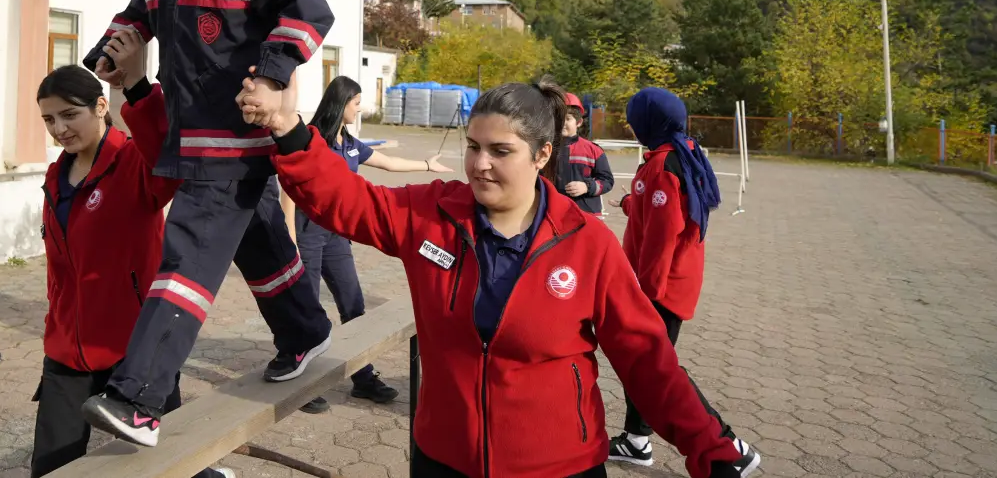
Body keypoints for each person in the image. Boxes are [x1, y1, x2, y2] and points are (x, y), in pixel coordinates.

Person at [237, 75, 761, 478]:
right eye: (472, 146)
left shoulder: (587, 244)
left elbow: (649, 361)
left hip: (560, 466)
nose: (479, 164)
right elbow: (346, 201)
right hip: (442, 458)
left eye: (500, 151)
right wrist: (288, 129)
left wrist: (708, 445)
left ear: (543, 155)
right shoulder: (432, 215)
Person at [78, 0, 334, 445]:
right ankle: (305, 331)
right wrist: (118, 42)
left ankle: (138, 399)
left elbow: (311, 11)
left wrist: (274, 74)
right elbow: (145, 10)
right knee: (264, 249)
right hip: (191, 141)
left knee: (184, 264)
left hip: (231, 144)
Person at [30, 58, 232, 478]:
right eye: (49, 119)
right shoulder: (56, 176)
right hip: (67, 347)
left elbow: (165, 151)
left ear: (101, 107)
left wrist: (136, 87)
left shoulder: (134, 162)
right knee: (52, 467)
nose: (59, 129)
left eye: (70, 115)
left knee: (170, 463)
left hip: (134, 349)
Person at [606, 87, 759, 475]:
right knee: (644, 364)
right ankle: (637, 440)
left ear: (649, 122)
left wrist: (645, 294)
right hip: (669, 282)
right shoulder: (677, 154)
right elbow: (658, 212)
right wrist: (628, 203)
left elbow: (663, 236)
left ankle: (729, 446)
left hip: (661, 287)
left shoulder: (664, 165)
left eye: (633, 117)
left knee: (660, 368)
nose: (630, 124)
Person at [284, 76, 452, 414]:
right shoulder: (311, 140)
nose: (360, 109)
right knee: (307, 310)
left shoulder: (349, 143)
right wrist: (291, 243)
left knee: (353, 305)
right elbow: (288, 194)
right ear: (342, 103)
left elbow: (387, 163)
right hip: (308, 235)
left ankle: (363, 379)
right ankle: (302, 386)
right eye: (357, 102)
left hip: (337, 236)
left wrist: (426, 165)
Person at [557, 93, 615, 217]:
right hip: (555, 214)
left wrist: (587, 187)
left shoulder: (593, 150)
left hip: (587, 216)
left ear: (579, 122)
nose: (562, 123)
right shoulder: (546, 149)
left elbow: (607, 181)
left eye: (567, 119)